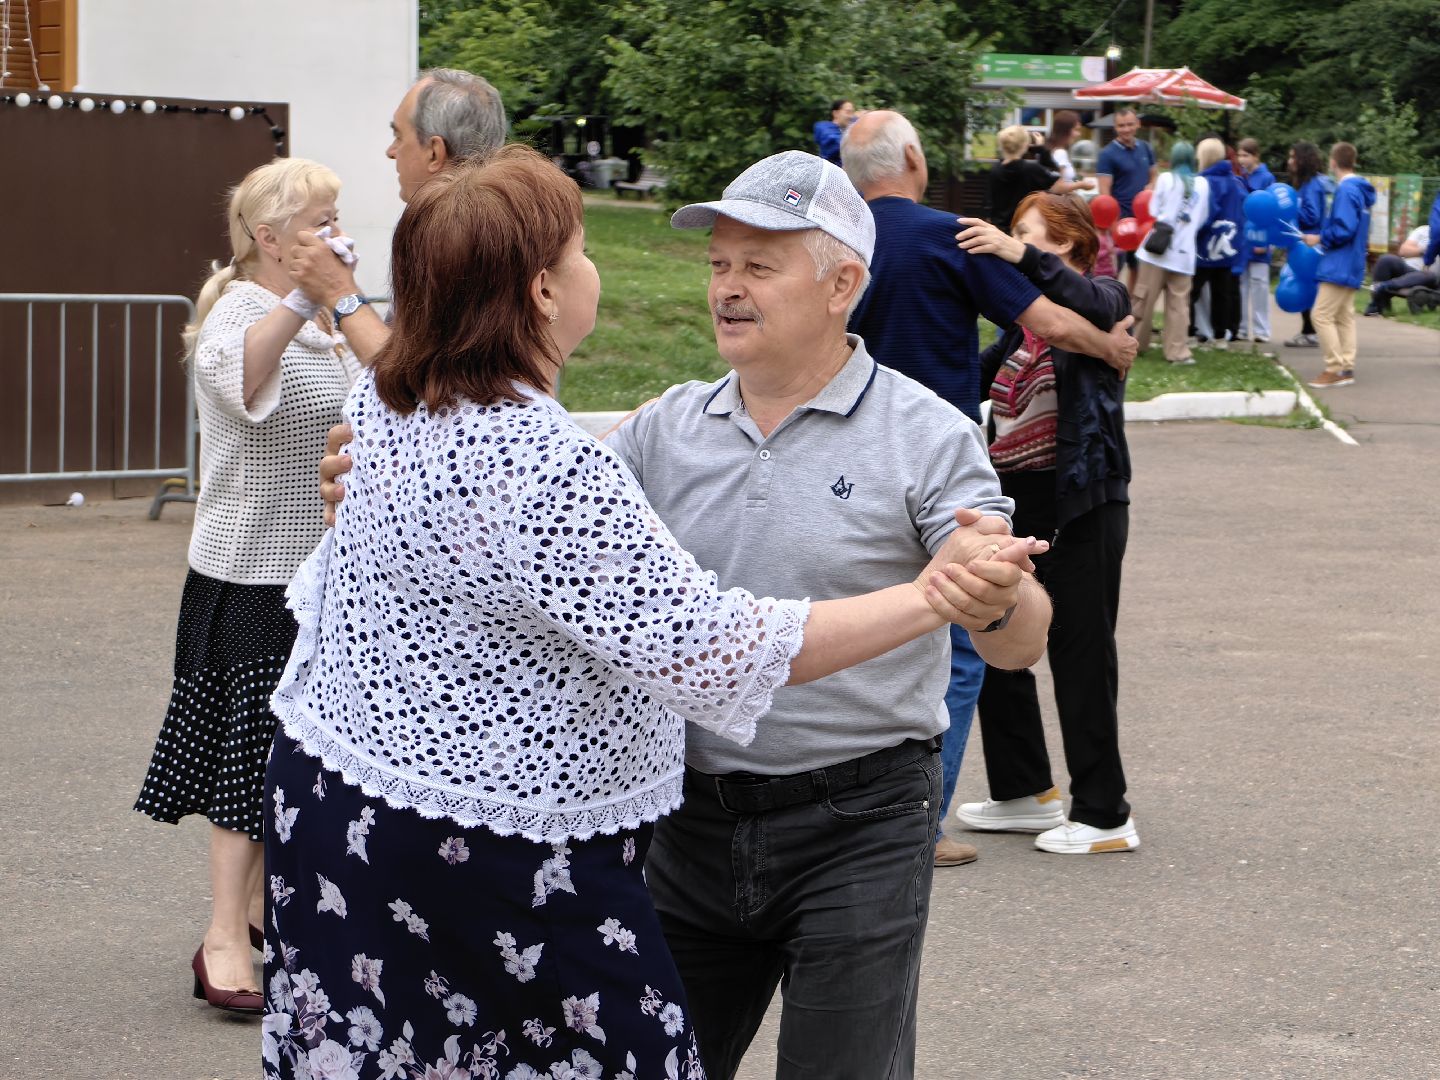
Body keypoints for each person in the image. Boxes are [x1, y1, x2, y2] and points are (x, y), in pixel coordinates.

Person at [269, 144, 1045, 1080]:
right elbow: (545, 534)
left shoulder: (928, 435)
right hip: (689, 822)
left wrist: (990, 592)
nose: (727, 286)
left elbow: (1015, 645)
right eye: (719, 263)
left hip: (859, 819)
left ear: (844, 282)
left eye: (760, 265)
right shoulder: (661, 428)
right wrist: (389, 490)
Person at [841, 108, 1137, 868]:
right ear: (913, 156)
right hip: (954, 467)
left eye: (1043, 239)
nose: (1025, 247)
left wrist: (1094, 330)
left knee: (1026, 637)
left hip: (864, 456)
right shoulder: (945, 237)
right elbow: (1038, 333)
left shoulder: (837, 240)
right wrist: (1109, 346)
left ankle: (1075, 802)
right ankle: (960, 807)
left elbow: (1080, 314)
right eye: (1023, 235)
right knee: (974, 635)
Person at [132, 158, 364, 1015]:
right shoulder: (237, 312)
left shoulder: (333, 325)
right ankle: (223, 936)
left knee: (302, 761)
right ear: (269, 238)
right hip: (251, 575)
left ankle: (269, 915)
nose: (339, 229)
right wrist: (307, 297)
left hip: (325, 580)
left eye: (338, 213)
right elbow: (239, 386)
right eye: (319, 219)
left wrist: (333, 303)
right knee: (249, 765)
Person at [953, 195, 1137, 853]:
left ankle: (1105, 813)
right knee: (996, 637)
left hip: (1082, 504)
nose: (1011, 244)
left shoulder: (1107, 298)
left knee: (1081, 654)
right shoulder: (1019, 330)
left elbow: (1095, 306)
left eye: (1028, 236)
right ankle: (1024, 791)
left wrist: (1017, 254)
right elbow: (967, 385)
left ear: (1070, 246)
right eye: (1013, 235)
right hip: (1016, 503)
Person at [288, 68, 508, 365]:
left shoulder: (449, 236)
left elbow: (407, 378)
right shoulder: (518, 225)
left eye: (398, 135)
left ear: (434, 152)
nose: (391, 152)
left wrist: (338, 289)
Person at [1131, 142, 1210, 365]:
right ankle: (1177, 352)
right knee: (1179, 305)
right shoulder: (1203, 184)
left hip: (1156, 250)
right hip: (1184, 253)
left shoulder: (1165, 179)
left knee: (1144, 298)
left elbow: (1154, 210)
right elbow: (1202, 218)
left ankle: (1135, 344)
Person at [1305, 142, 1376, 388]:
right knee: (1344, 316)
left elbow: (1344, 228)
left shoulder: (1346, 190)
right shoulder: (1361, 190)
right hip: (1354, 260)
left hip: (1339, 262)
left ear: (1333, 162)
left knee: (1321, 314)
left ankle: (1333, 368)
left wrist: (1320, 237)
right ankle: (1346, 367)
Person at [1192, 137, 1247, 347]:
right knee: (1221, 293)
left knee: (1191, 291)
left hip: (1205, 245)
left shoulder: (1205, 181)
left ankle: (1190, 331)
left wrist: (1194, 229)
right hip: (1227, 245)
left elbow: (1206, 212)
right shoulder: (1233, 181)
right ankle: (1220, 335)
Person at [1096, 108, 1158, 290]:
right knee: (1114, 268)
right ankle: (1111, 302)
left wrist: (1151, 186)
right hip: (1120, 221)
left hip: (1143, 220)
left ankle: (1130, 306)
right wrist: (1111, 224)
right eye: (1121, 126)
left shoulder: (1146, 147)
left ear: (1137, 124)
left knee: (1138, 266)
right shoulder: (1107, 154)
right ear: (1115, 127)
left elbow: (1154, 175)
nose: (1126, 129)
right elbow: (1104, 193)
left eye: (1130, 124)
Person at [986, 125, 1090, 229]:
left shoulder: (995, 169)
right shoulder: (1031, 169)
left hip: (999, 229)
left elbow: (989, 202)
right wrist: (1041, 149)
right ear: (1025, 145)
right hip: (1023, 229)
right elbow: (1056, 179)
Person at [1283, 141, 1334, 348]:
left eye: (1293, 157)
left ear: (1303, 160)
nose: (1290, 161)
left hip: (1311, 244)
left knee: (1307, 285)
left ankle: (1310, 332)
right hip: (1314, 244)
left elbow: (1312, 215)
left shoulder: (1311, 185)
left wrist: (1291, 209)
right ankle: (1309, 330)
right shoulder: (1315, 183)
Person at [1235, 138, 1276, 342]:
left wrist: (1266, 242)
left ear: (1256, 156)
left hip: (1260, 238)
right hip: (1243, 238)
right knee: (1241, 285)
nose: (1242, 159)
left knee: (1259, 284)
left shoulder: (1267, 178)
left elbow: (1271, 211)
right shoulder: (1240, 177)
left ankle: (1261, 330)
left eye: (1246, 155)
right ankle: (1241, 328)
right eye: (1240, 155)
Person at [1364, 220, 1436, 315]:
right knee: (1386, 259)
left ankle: (1383, 286)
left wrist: (1416, 250)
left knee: (1429, 275)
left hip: (1430, 277)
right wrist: (1427, 250)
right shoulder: (1423, 230)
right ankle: (1378, 306)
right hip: (1407, 269)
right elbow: (1403, 250)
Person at [813, 98, 856, 165]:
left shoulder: (848, 129)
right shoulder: (823, 128)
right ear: (835, 113)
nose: (851, 116)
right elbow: (837, 142)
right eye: (848, 112)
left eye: (852, 113)